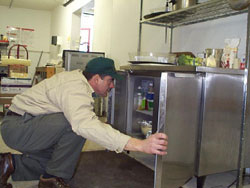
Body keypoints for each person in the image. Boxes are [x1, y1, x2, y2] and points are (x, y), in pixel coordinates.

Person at [0, 57, 168, 188]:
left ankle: (11, 164)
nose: (112, 86)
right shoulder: (75, 87)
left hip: (26, 124)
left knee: (61, 158)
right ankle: (52, 179)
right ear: (96, 79)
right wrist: (138, 145)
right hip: (18, 128)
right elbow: (83, 124)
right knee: (77, 127)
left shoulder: (76, 81)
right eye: (110, 80)